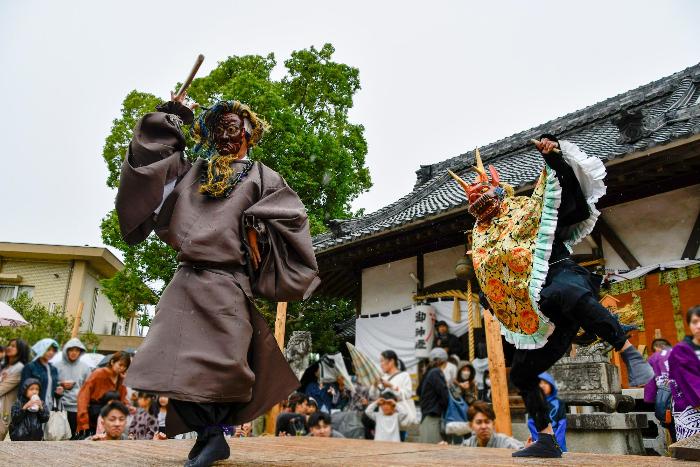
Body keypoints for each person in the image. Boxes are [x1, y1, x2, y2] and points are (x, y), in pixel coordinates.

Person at [116, 92, 318, 467]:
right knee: (166, 361)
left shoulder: (264, 178)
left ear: (249, 134)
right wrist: (169, 117)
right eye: (218, 131)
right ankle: (210, 438)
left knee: (221, 368)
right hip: (186, 281)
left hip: (229, 282)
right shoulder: (194, 172)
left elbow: (291, 220)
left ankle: (212, 437)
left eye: (233, 130)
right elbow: (152, 169)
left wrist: (257, 224)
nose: (226, 137)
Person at [448, 137, 653, 457]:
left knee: (567, 292)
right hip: (542, 311)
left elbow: (566, 201)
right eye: (472, 193)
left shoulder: (522, 208)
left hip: (559, 273)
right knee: (522, 373)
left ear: (498, 186)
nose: (478, 194)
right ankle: (545, 439)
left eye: (482, 188)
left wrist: (555, 160)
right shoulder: (481, 234)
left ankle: (627, 350)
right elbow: (492, 276)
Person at [76, 351, 131, 436]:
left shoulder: (120, 378)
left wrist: (123, 381)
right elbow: (83, 396)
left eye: (125, 366)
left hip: (111, 420)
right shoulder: (99, 373)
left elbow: (122, 399)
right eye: (120, 365)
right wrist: (83, 422)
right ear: (112, 362)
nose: (122, 368)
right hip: (94, 418)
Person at [668, 305, 700, 441]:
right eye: (695, 322)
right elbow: (688, 381)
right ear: (689, 325)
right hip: (690, 406)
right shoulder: (681, 350)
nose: (699, 326)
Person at [369, 350, 417, 439]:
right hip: (383, 418)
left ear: (391, 361)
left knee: (398, 443)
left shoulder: (404, 375)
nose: (381, 364)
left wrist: (391, 386)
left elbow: (407, 394)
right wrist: (375, 385)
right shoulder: (382, 377)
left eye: (382, 361)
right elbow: (373, 396)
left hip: (398, 416)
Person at [54, 337, 91, 437]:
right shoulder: (56, 366)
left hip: (78, 408)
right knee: (59, 436)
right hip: (60, 407)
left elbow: (88, 387)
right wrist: (61, 384)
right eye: (71, 349)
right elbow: (51, 384)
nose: (74, 352)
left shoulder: (85, 367)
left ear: (80, 352)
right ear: (66, 350)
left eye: (77, 350)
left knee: (75, 437)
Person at [526, 373, 566, 452]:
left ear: (551, 385)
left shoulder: (559, 403)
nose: (543, 386)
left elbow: (562, 424)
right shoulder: (533, 403)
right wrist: (540, 442)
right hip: (540, 439)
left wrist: (556, 443)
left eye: (546, 383)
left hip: (557, 438)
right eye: (540, 383)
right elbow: (531, 423)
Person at [20, 338, 63, 411]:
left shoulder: (54, 369)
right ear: (41, 349)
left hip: (49, 408)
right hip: (33, 408)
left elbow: (53, 391)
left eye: (53, 350)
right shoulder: (30, 367)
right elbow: (22, 390)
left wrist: (58, 393)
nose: (51, 352)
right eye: (48, 349)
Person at [644, 337, 674, 439]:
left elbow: (650, 383)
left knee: (672, 427)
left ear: (658, 347)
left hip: (666, 398)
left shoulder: (653, 358)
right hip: (687, 395)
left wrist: (649, 400)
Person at [417, 348, 449, 444]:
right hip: (433, 418)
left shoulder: (428, 373)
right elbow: (445, 396)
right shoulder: (436, 372)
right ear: (443, 361)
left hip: (426, 417)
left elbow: (418, 391)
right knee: (432, 451)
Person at [0, 338, 30, 440]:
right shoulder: (5, 365)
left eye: (13, 346)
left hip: (4, 411)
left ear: (21, 350)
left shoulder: (19, 368)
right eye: (9, 345)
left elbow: (1, 389)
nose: (9, 347)